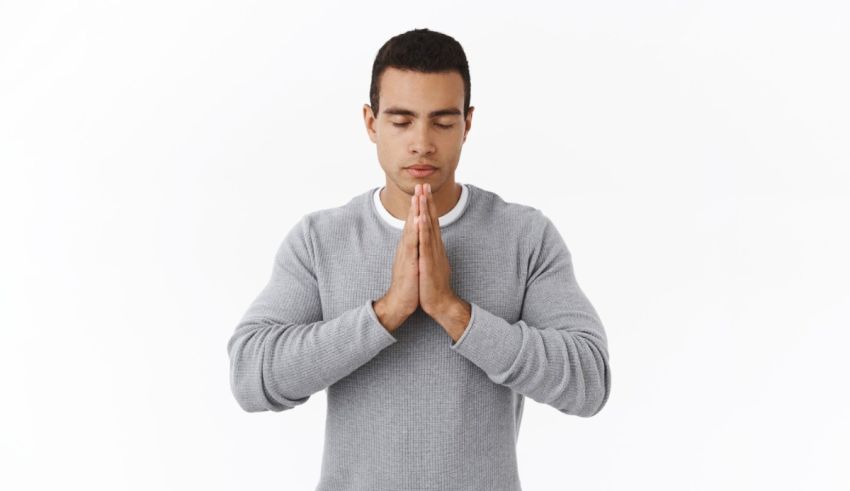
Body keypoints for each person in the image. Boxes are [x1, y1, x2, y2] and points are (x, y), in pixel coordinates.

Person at [227, 27, 611, 491]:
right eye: (402, 121)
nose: (422, 142)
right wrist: (386, 313)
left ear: (468, 124)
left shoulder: (524, 236)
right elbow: (250, 376)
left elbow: (590, 382)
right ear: (371, 123)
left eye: (443, 122)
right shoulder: (320, 240)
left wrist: (454, 312)